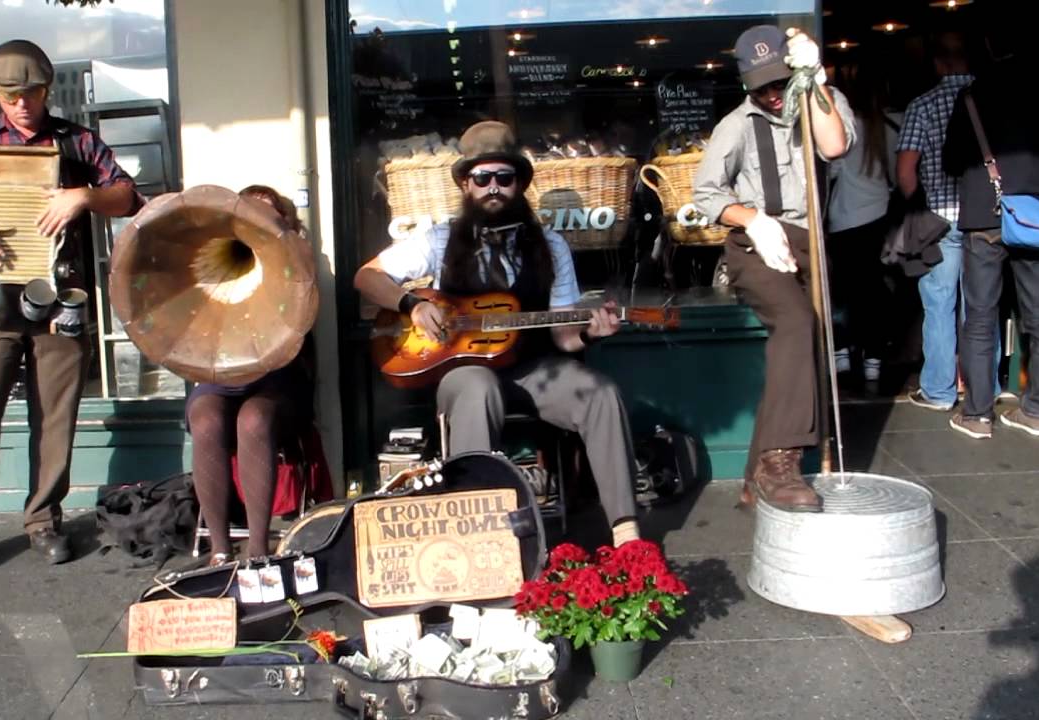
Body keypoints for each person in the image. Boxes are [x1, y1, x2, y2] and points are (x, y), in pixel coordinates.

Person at [0, 40, 145, 588]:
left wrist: (82, 196)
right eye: (11, 95)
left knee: (55, 418)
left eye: (32, 93)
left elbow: (128, 197)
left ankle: (43, 520)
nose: (22, 104)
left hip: (58, 299)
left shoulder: (77, 142)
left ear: (46, 89)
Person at [354, 120, 642, 546]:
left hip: (533, 369)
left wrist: (590, 335)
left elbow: (563, 336)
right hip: (463, 371)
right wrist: (412, 305)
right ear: (467, 185)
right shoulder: (438, 239)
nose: (493, 187)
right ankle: (476, 534)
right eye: (482, 177)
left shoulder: (552, 245)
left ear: (519, 185)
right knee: (478, 387)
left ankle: (626, 533)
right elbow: (366, 277)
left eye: (504, 178)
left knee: (599, 392)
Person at [693, 25, 854, 511]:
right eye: (761, 85)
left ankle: (753, 479)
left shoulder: (816, 100)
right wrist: (753, 219)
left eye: (780, 81)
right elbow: (706, 194)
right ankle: (782, 460)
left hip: (811, 245)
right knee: (796, 323)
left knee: (806, 349)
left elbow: (834, 147)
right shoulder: (737, 124)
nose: (772, 94)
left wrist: (815, 80)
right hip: (756, 246)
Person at [186, 186, 318, 564]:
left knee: (254, 420)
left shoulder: (301, 259)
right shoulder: (220, 252)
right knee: (207, 419)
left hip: (278, 377)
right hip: (224, 372)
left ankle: (258, 549)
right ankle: (220, 549)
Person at [942, 32, 1039, 439]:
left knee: (981, 318)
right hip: (1038, 216)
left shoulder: (972, 97)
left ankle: (977, 415)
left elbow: (953, 159)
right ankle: (1038, 410)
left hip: (985, 213)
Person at [896, 32, 974, 412]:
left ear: (938, 63)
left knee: (939, 306)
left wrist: (918, 210)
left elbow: (906, 169)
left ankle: (940, 392)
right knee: (979, 309)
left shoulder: (923, 105)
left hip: (940, 219)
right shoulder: (989, 100)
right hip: (984, 219)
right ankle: (982, 391)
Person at [826, 67, 899, 387]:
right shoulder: (889, 128)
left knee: (842, 292)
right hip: (879, 218)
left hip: (843, 219)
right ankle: (874, 360)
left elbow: (831, 173)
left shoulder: (843, 130)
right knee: (875, 294)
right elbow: (897, 178)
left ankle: (841, 355)